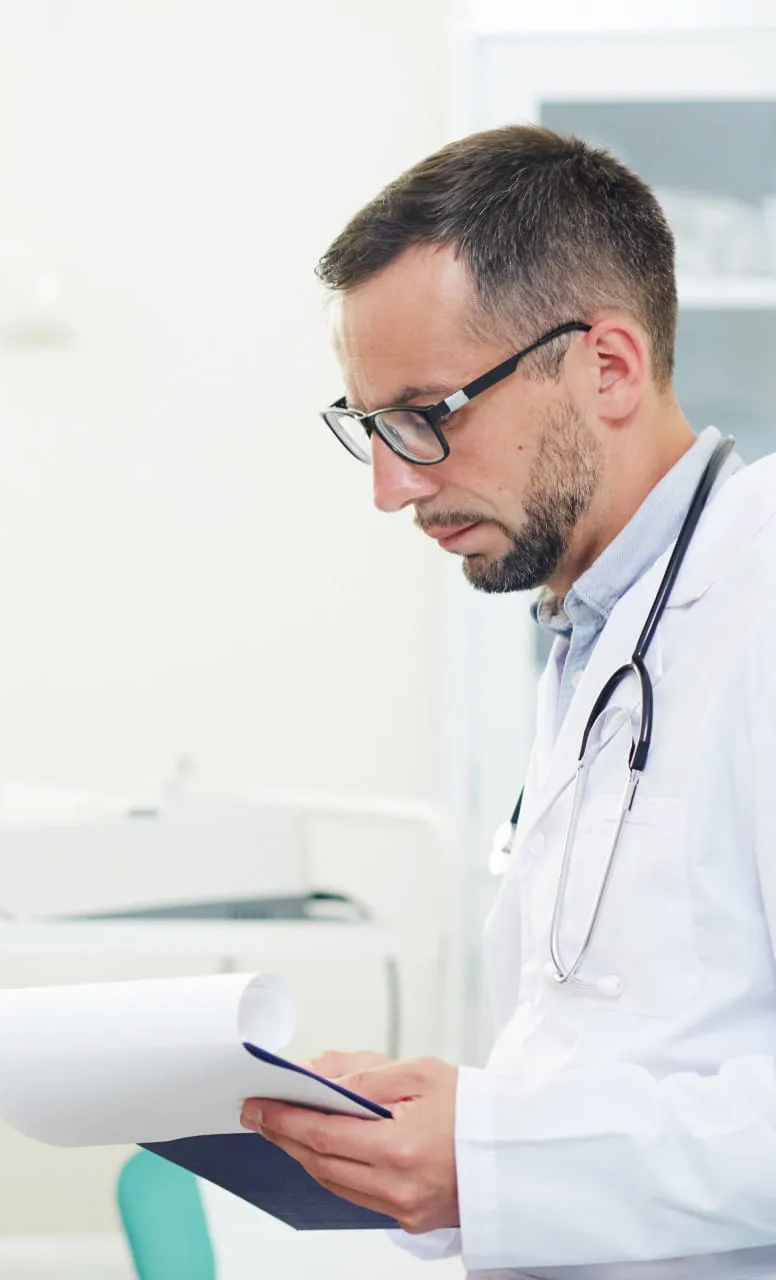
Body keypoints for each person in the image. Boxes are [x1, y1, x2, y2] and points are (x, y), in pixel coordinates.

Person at [237, 124, 776, 1277]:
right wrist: (435, 1135)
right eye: (371, 427)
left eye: (429, 413)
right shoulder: (593, 629)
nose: (393, 487)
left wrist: (493, 1151)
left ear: (609, 368)